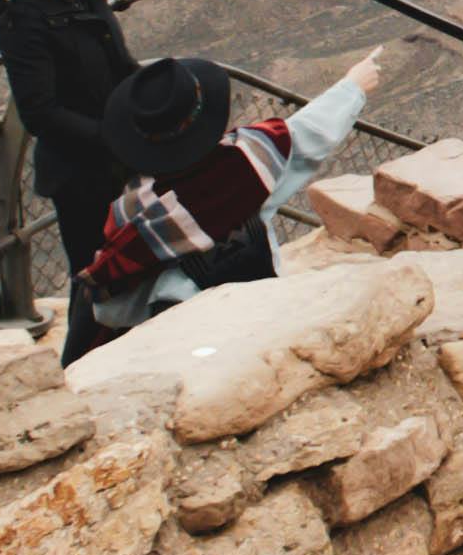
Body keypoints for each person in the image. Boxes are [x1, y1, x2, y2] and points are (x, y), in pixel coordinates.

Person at [77, 45, 387, 341]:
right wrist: (353, 86)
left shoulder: (130, 213)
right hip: (263, 306)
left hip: (184, 330)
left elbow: (111, 309)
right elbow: (308, 131)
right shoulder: (248, 162)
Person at [0, 0, 136, 343]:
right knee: (97, 279)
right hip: (82, 175)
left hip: (124, 153)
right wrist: (114, 137)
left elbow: (116, 60)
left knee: (135, 269)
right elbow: (41, 112)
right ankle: (83, 362)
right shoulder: (22, 15)